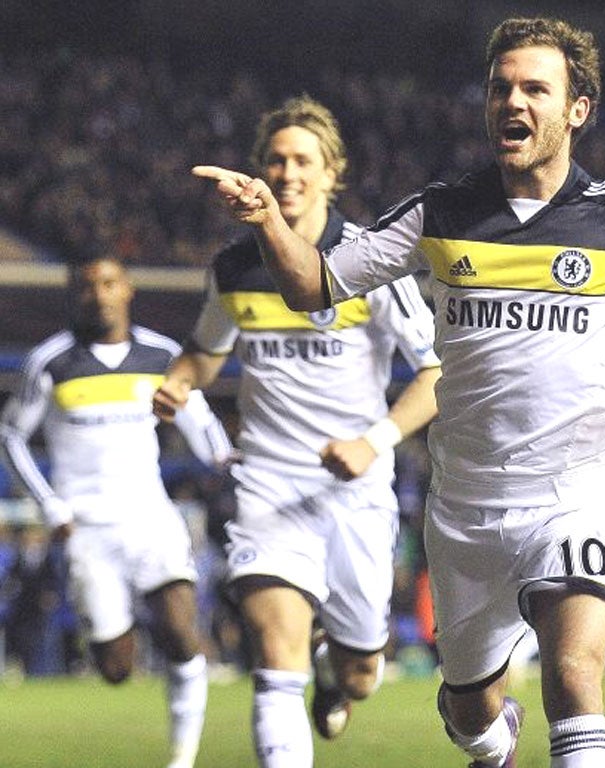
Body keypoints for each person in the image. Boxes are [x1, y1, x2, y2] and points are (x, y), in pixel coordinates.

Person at [191, 17, 605, 768]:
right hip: (465, 511)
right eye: (501, 87)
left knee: (574, 677)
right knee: (471, 711)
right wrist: (270, 221)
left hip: (571, 494)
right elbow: (315, 285)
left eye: (536, 88)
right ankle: (489, 738)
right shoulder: (439, 213)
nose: (515, 100)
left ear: (579, 109)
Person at [152, 94, 441, 768]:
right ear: (260, 172)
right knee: (272, 651)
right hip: (270, 483)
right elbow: (204, 349)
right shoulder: (233, 267)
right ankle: (301, 658)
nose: (287, 172)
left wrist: (374, 441)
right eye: (275, 160)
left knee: (363, 672)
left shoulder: (372, 262)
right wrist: (179, 380)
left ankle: (335, 664)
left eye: (302, 160)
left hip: (357, 489)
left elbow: (436, 375)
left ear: (331, 172)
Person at [0, 254, 232, 768]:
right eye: (87, 286)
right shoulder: (51, 362)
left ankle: (182, 759)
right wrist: (51, 507)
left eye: (108, 283)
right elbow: (11, 436)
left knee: (179, 628)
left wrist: (224, 459)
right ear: (73, 295)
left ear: (127, 290)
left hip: (151, 515)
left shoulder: (161, 354)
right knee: (115, 666)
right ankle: (111, 632)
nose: (98, 294)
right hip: (86, 531)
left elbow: (199, 418)